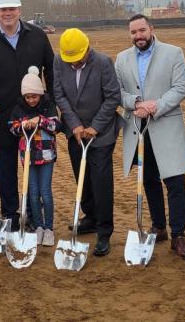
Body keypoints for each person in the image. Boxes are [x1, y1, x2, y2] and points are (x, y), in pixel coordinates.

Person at [115, 14, 185, 260]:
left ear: (152, 28)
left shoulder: (173, 53)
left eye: (141, 30)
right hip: (138, 127)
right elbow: (117, 91)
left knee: (175, 182)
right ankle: (159, 227)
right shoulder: (122, 58)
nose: (138, 36)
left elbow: (181, 87)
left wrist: (155, 106)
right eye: (133, 32)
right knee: (148, 179)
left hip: (165, 125)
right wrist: (136, 103)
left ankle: (178, 235)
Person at [0, 0, 54, 231]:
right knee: (7, 167)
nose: (7, 13)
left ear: (19, 10)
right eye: (3, 9)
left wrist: (49, 104)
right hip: (2, 116)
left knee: (32, 167)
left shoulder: (38, 36)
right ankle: (10, 214)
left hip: (34, 116)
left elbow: (50, 70)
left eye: (11, 8)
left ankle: (31, 215)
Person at [53, 28, 121, 256]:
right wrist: (74, 125)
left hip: (101, 134)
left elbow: (113, 97)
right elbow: (59, 93)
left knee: (101, 181)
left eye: (77, 58)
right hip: (75, 132)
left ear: (87, 49)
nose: (73, 63)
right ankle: (90, 217)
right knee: (82, 178)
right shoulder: (59, 60)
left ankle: (104, 231)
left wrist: (95, 127)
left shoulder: (103, 62)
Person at [9, 66, 61, 247]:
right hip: (28, 157)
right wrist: (24, 124)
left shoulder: (48, 105)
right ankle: (38, 226)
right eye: (28, 97)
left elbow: (56, 126)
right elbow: (12, 128)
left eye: (34, 96)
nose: (31, 100)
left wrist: (40, 120)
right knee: (32, 192)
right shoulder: (19, 108)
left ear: (40, 94)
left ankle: (49, 228)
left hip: (46, 156)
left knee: (45, 192)